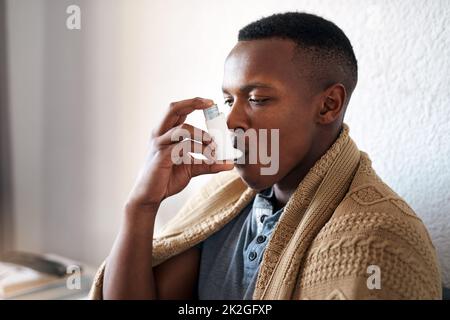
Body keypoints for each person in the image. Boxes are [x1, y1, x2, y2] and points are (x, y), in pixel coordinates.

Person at [90, 12, 441, 300]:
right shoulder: (224, 204)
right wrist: (141, 206)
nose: (231, 120)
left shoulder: (377, 240)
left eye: (257, 99)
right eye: (229, 100)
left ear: (328, 105)